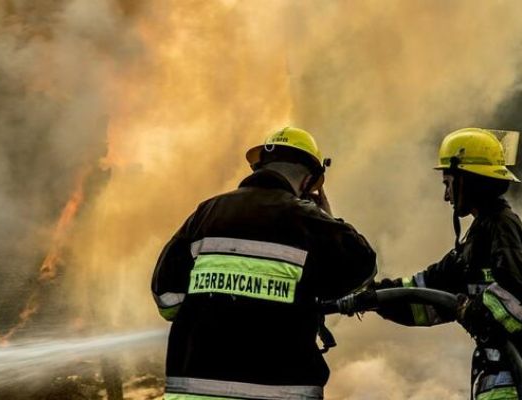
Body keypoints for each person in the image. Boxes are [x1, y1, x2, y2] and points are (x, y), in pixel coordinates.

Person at [151, 126, 377, 400]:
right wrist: (328, 218)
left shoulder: (206, 213)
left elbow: (167, 299)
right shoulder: (308, 220)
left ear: (259, 167)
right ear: (309, 182)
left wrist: (214, 308)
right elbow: (363, 268)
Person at [375, 127, 522, 400]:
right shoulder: (475, 241)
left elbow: (516, 290)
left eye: (448, 183)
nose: (446, 196)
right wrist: (375, 297)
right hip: (496, 385)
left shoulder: (503, 226)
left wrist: (478, 309)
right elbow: (428, 294)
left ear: (467, 180)